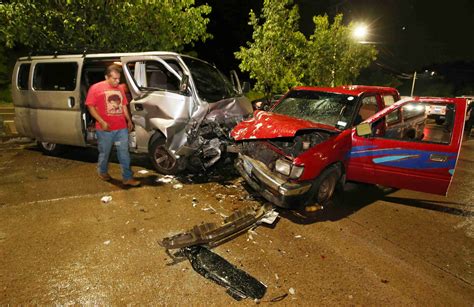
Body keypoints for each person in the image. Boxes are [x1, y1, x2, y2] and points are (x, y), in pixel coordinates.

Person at [86, 64, 140, 187]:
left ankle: (127, 177)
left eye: (118, 79)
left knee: (124, 152)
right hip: (105, 129)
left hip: (121, 128)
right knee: (105, 152)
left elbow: (123, 105)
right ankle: (102, 170)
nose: (117, 81)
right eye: (114, 79)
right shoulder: (95, 88)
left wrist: (129, 120)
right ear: (107, 77)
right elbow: (90, 106)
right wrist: (101, 121)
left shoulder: (120, 88)